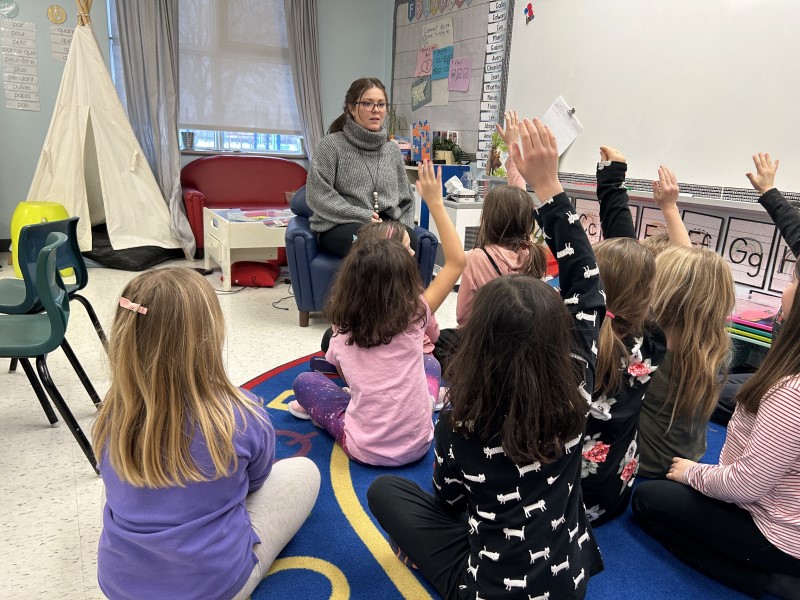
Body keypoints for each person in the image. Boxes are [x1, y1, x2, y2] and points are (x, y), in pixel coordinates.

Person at [368, 117, 604, 599]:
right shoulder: (579, 387)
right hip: (569, 583)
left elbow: (448, 499)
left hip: (485, 589)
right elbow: (588, 291)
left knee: (384, 493)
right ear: (556, 335)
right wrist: (549, 187)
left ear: (478, 344)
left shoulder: (460, 420)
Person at [93, 268, 320, 600]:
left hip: (122, 588)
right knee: (304, 472)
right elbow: (255, 483)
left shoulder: (109, 419)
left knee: (113, 491)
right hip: (218, 588)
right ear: (208, 337)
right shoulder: (242, 416)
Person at [632, 156, 800, 598]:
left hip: (749, 512)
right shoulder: (717, 347)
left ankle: (766, 581)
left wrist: (692, 475)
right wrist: (671, 208)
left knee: (646, 506)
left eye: (794, 277)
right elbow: (691, 281)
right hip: (722, 465)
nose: (787, 280)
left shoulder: (649, 351)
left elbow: (747, 485)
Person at [290, 161, 465, 466]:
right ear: (400, 272)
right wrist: (435, 204)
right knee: (428, 363)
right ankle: (428, 401)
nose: (412, 254)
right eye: (406, 251)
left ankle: (333, 416)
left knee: (306, 381)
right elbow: (456, 262)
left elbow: (351, 379)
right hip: (421, 442)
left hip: (365, 448)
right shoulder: (417, 312)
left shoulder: (341, 329)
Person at [579, 146, 669, 525]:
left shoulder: (580, 337)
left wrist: (612, 178)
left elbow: (621, 267)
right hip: (613, 493)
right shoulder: (653, 342)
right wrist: (612, 180)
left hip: (564, 500)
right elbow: (629, 267)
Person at [711, 152, 800, 426]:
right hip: (774, 377)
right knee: (710, 383)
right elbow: (794, 231)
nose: (789, 284)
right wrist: (769, 192)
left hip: (785, 393)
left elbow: (752, 472)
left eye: (794, 280)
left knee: (706, 393)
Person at [637, 244, 736, 477]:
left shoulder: (648, 346)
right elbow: (699, 277)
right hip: (688, 454)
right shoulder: (713, 345)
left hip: (647, 461)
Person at [306, 77, 416, 258]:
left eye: (381, 104)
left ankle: (405, 288)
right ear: (351, 107)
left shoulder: (392, 149)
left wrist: (403, 229)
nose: (376, 110)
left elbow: (407, 199)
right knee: (376, 247)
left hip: (385, 223)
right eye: (367, 103)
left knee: (410, 239)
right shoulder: (331, 145)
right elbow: (318, 195)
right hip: (341, 224)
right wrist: (361, 214)